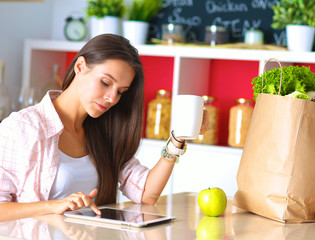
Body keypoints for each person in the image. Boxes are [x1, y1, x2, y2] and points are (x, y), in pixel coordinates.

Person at [0, 34, 208, 222]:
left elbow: (146, 194)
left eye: (121, 92)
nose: (111, 98)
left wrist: (178, 139)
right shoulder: (23, 128)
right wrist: (52, 206)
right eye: (106, 82)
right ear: (80, 66)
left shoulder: (104, 132)